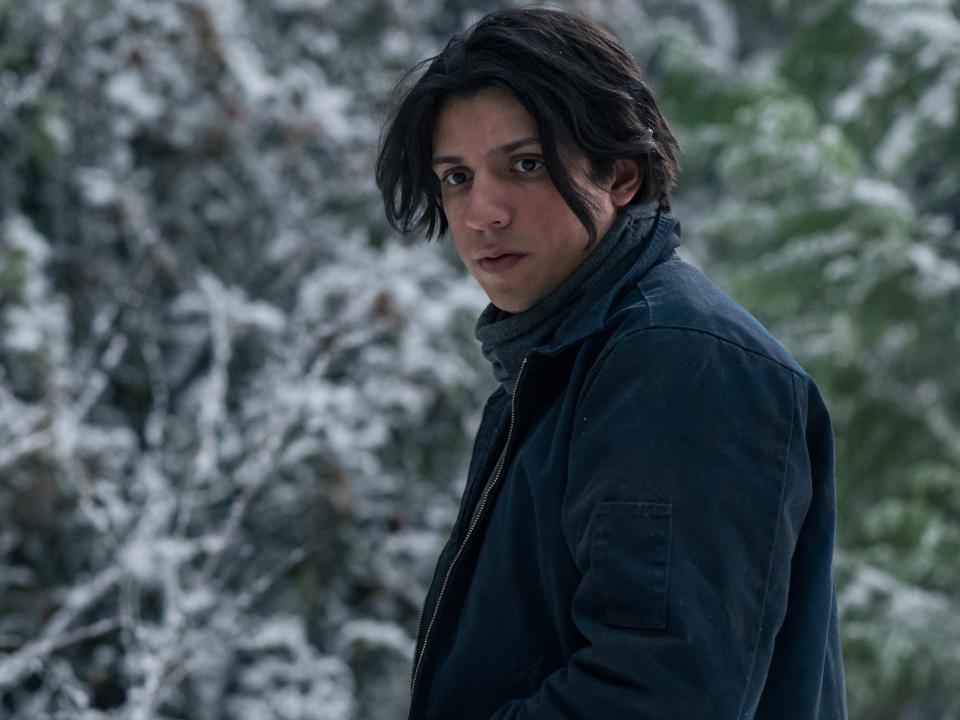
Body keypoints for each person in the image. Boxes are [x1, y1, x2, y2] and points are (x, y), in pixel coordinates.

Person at [375, 7, 847, 719]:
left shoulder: (679, 364)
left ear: (621, 176)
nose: (482, 213)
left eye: (524, 165)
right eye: (456, 177)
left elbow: (655, 697)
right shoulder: (564, 362)